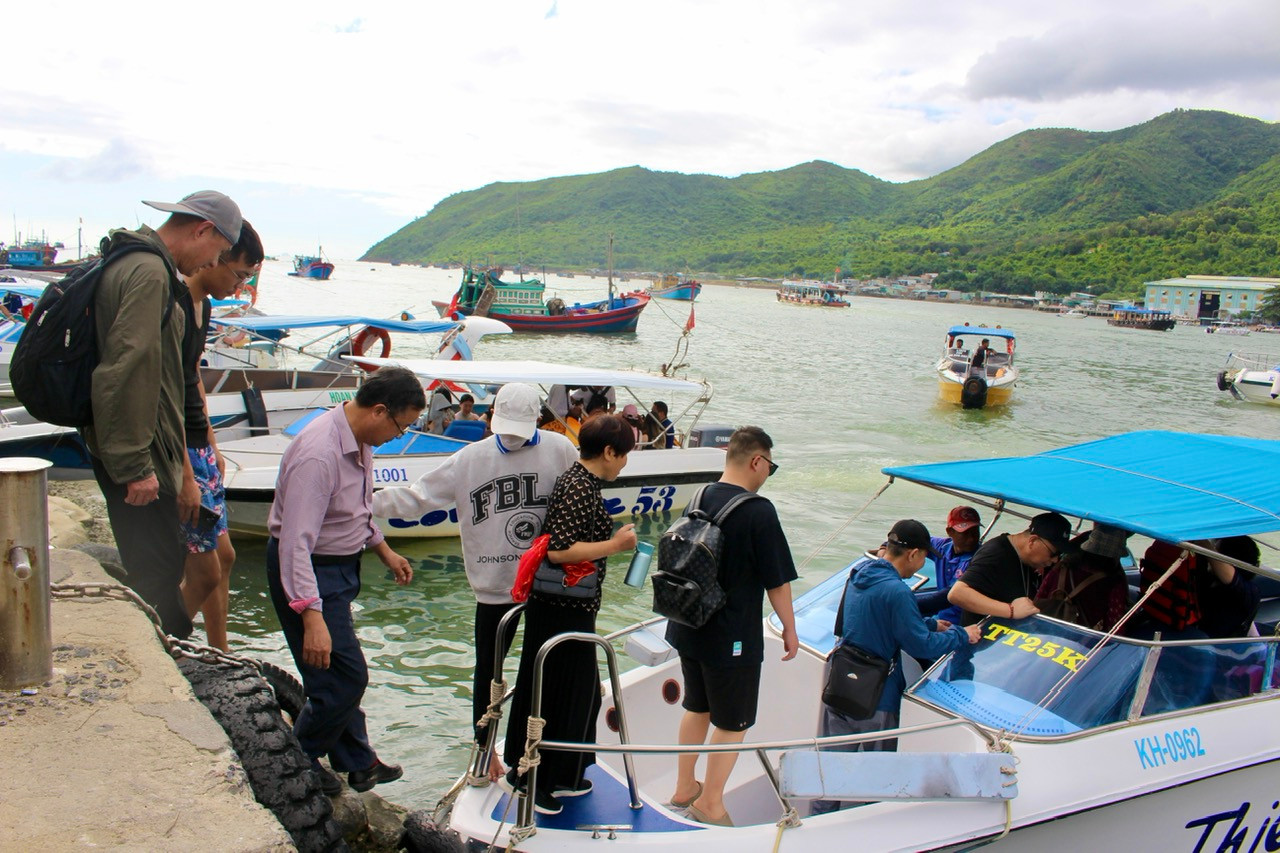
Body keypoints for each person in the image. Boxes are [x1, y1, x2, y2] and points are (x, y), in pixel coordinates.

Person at [371, 383, 577, 780]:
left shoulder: (560, 450)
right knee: (490, 671)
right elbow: (418, 498)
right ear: (491, 419)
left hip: (546, 582)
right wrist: (365, 499)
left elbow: (580, 500)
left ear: (538, 419)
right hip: (493, 583)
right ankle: (484, 752)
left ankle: (534, 750)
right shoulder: (470, 459)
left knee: (543, 666)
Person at [83, 190, 243, 639]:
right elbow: (127, 369)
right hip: (140, 459)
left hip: (139, 451)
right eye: (219, 251)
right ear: (203, 230)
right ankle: (161, 670)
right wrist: (135, 466)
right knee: (157, 573)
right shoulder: (150, 272)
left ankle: (170, 651)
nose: (213, 262)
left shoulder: (132, 260)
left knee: (164, 567)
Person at [266, 366, 424, 796]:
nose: (399, 435)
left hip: (337, 565)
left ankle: (358, 762)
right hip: (309, 571)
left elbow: (355, 508)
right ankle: (294, 761)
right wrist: (310, 613)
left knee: (333, 675)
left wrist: (383, 549)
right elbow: (294, 545)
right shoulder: (319, 454)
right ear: (378, 411)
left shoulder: (358, 439)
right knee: (345, 677)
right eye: (401, 425)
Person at [501, 415, 637, 816]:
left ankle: (563, 772)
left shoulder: (579, 481)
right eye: (624, 455)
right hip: (560, 610)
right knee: (558, 694)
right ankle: (535, 781)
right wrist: (615, 545)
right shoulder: (579, 485)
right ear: (609, 452)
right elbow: (559, 550)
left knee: (579, 694)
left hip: (568, 608)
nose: (625, 463)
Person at [664, 426, 798, 827]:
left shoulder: (701, 495)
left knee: (697, 706)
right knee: (733, 721)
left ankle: (685, 787)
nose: (767, 476)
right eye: (769, 468)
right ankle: (711, 804)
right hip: (731, 636)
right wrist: (789, 629)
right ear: (757, 460)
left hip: (688, 622)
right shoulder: (759, 510)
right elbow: (777, 580)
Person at [811, 520, 981, 814]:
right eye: (924, 558)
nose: (921, 566)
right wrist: (960, 634)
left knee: (830, 767)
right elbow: (922, 647)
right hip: (877, 694)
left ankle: (818, 820)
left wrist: (928, 623)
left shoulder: (860, 574)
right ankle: (869, 827)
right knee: (878, 775)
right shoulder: (898, 591)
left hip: (840, 682)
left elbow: (863, 618)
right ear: (914, 554)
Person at [177, 220, 263, 651]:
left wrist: (210, 440)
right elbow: (160, 390)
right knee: (206, 569)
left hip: (197, 446)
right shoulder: (173, 303)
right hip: (179, 450)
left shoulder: (202, 307)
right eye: (240, 274)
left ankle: (219, 648)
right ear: (218, 255)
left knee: (224, 557)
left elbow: (192, 375)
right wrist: (184, 470)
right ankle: (163, 638)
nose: (240, 285)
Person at [948, 512, 1072, 626]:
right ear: (1032, 541)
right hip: (982, 640)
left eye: (1060, 555)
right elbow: (957, 594)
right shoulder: (995, 554)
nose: (1056, 560)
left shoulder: (1027, 559)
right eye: (1053, 553)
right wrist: (1010, 610)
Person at [1033, 522, 1131, 632]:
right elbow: (1115, 622)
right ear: (1115, 555)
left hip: (1047, 628)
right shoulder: (1113, 581)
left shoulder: (1062, 566)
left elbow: (1040, 597)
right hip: (1082, 637)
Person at [915, 506, 982, 624]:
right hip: (940, 616)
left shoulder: (980, 559)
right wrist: (884, 547)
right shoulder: (942, 546)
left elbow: (946, 597)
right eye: (966, 533)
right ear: (950, 532)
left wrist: (904, 604)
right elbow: (911, 536)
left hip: (964, 624)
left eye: (975, 531)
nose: (971, 538)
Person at [1196, 536, 1261, 638]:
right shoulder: (1209, 579)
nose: (1210, 561)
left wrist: (1202, 543)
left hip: (1224, 648)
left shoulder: (1249, 591)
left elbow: (1229, 576)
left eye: (1217, 551)